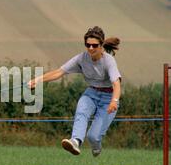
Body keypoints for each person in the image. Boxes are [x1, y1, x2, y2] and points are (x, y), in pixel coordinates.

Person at [28, 26, 121, 157]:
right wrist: (38, 80)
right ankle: (75, 141)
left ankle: (96, 145)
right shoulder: (81, 59)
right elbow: (59, 72)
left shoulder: (108, 61)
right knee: (81, 112)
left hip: (109, 97)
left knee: (93, 136)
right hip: (91, 93)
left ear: (101, 45)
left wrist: (114, 101)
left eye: (94, 45)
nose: (90, 48)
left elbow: (116, 83)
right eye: (88, 45)